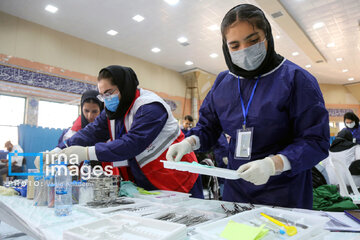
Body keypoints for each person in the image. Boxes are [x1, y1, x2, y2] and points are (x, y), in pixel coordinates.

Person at [166, 4, 329, 209]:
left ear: (267, 36)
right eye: (234, 45)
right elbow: (209, 126)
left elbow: (316, 141)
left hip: (284, 190)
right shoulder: (224, 82)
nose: (244, 51)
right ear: (226, 47)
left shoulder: (296, 79)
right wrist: (188, 142)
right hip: (237, 188)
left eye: (252, 41)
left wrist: (273, 164)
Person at [46, 65, 203, 198]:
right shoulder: (114, 110)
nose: (106, 99)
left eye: (109, 92)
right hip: (147, 181)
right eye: (102, 95)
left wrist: (87, 153)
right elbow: (91, 132)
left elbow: (132, 144)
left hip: (178, 178)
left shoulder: (150, 107)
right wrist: (59, 148)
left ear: (124, 86)